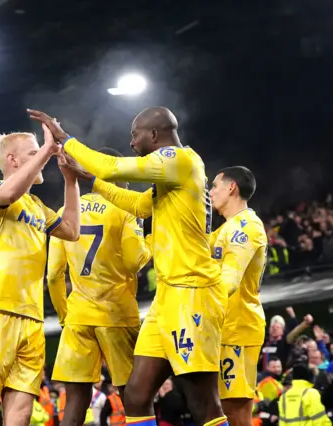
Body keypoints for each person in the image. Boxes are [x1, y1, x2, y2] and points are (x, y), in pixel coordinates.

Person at [28, 107, 229, 426]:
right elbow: (139, 206)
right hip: (166, 298)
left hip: (193, 293)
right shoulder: (169, 175)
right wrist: (92, 178)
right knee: (135, 395)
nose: (131, 141)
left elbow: (114, 166)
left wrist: (67, 139)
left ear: (153, 134)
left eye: (135, 134)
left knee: (201, 399)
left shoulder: (180, 160)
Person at [0, 125, 81, 426]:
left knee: (20, 414)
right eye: (34, 152)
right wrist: (49, 150)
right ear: (13, 160)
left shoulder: (38, 206)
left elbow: (72, 231)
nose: (42, 156)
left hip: (33, 318)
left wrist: (70, 179)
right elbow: (10, 192)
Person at [47, 147, 151, 426]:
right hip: (116, 313)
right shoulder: (123, 210)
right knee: (134, 396)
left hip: (78, 315)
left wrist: (64, 316)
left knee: (76, 398)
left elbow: (54, 275)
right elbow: (134, 261)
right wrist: (150, 243)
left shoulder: (64, 213)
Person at [208, 166, 267, 426]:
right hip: (223, 327)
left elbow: (228, 282)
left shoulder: (248, 226)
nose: (210, 192)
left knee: (235, 410)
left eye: (214, 186)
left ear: (232, 188)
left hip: (238, 328)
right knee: (219, 406)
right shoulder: (225, 229)